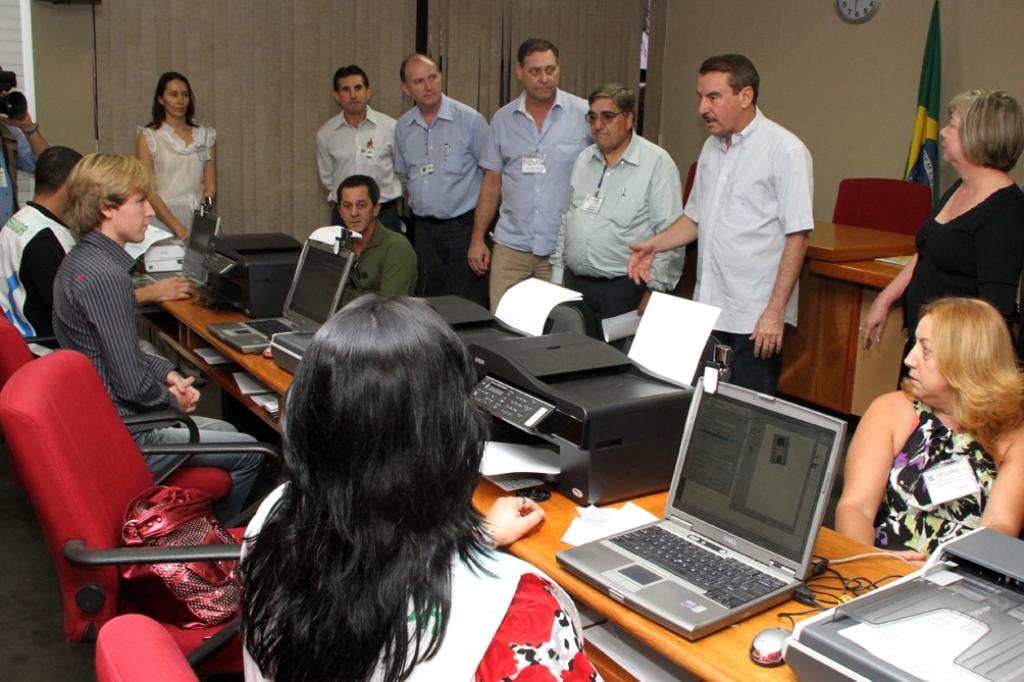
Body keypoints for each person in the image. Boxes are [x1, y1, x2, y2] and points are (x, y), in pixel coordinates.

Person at [241, 295, 597, 682]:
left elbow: (371, 557)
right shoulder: (518, 612)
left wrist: (479, 539)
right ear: (455, 437)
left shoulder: (274, 517)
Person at [52, 153, 263, 522]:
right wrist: (171, 401)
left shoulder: (81, 261)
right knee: (253, 451)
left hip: (105, 420)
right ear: (107, 208)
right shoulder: (106, 277)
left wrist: (167, 372)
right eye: (140, 202)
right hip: (128, 434)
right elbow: (132, 384)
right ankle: (214, 549)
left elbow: (121, 353)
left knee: (228, 428)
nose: (150, 212)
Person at [628, 54, 813, 395]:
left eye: (713, 97)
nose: (702, 108)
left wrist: (775, 312)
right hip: (710, 310)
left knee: (746, 413)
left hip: (755, 319)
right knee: (708, 407)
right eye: (700, 96)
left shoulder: (786, 151)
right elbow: (695, 220)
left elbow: (797, 236)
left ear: (746, 96)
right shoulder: (712, 149)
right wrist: (654, 244)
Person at [835, 297, 1024, 559]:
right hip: (882, 567)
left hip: (962, 577)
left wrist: (940, 571)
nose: (910, 360)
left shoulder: (1013, 432)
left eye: (926, 350)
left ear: (964, 361)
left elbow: (1000, 526)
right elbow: (855, 509)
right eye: (914, 345)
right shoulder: (890, 412)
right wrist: (874, 562)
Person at [860, 90, 1024, 361]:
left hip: (957, 362)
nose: (943, 133)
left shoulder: (1006, 213)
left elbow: (993, 315)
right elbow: (928, 249)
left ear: (977, 136)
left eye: (952, 125)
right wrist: (887, 297)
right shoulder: (961, 187)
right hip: (925, 347)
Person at [0, 147, 189, 338]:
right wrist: (152, 292)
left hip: (26, 331)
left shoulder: (20, 221)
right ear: (70, 183)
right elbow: (80, 308)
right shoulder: (44, 240)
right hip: (51, 347)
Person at [468, 38, 590, 311]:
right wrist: (478, 238)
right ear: (520, 72)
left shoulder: (584, 114)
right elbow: (491, 184)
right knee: (503, 326)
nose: (544, 78)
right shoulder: (502, 119)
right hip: (511, 248)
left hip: (561, 251)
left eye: (550, 69)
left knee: (557, 332)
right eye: (535, 71)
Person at [551, 83, 683, 321]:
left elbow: (670, 234)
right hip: (575, 285)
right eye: (592, 117)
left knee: (616, 358)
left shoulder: (656, 163)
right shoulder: (584, 158)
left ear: (629, 119)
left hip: (624, 289)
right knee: (572, 355)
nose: (599, 125)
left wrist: (656, 291)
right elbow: (566, 220)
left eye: (608, 116)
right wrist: (557, 277)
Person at [394, 53, 489, 305]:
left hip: (464, 228)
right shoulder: (403, 127)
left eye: (432, 77)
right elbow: (404, 176)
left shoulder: (470, 120)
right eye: (419, 81)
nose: (428, 86)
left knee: (468, 305)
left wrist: (480, 236)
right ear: (406, 88)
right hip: (424, 230)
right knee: (431, 304)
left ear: (441, 77)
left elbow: (493, 177)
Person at [316, 65, 402, 231]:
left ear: (368, 91)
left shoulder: (390, 127)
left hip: (384, 214)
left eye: (358, 88)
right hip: (344, 217)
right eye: (346, 89)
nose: (353, 95)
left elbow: (402, 173)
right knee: (344, 258)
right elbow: (327, 179)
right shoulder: (326, 133)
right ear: (336, 95)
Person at [136, 71, 216, 240]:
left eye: (185, 95)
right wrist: (177, 228)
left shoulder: (204, 136)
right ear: (161, 99)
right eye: (173, 95)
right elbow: (148, 189)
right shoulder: (149, 136)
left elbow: (210, 186)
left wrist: (201, 221)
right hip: (161, 221)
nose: (180, 101)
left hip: (197, 219)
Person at [334, 174, 416, 306]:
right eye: (348, 206)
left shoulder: (396, 247)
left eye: (361, 205)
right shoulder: (337, 244)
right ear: (340, 211)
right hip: (339, 322)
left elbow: (389, 310)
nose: (354, 213)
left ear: (376, 209)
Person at [0, 67, 50, 228]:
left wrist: (27, 127)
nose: (3, 96)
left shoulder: (6, 132)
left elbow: (46, 165)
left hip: (5, 235)